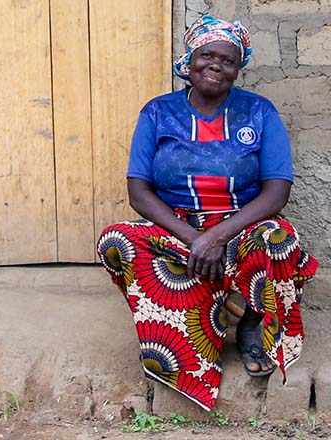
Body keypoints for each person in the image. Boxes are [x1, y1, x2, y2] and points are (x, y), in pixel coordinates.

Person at [97, 15, 319, 411]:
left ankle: (252, 322)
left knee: (280, 239)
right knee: (117, 240)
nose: (216, 65)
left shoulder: (259, 112)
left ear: (239, 68)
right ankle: (195, 334)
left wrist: (218, 236)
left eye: (228, 60)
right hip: (179, 229)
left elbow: (277, 191)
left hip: (240, 225)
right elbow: (139, 192)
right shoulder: (157, 113)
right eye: (207, 56)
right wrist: (196, 238)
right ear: (190, 60)